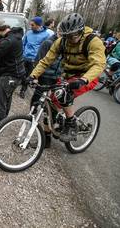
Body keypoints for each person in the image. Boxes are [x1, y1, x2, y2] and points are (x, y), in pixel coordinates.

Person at [29, 13, 106, 142]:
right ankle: (46, 138)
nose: (70, 39)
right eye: (67, 36)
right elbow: (46, 61)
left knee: (62, 93)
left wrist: (83, 80)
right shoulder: (62, 41)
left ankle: (71, 124)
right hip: (67, 75)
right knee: (49, 101)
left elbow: (98, 65)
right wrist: (33, 75)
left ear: (81, 31)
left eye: (72, 36)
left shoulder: (93, 41)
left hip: (87, 76)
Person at [29, 25, 62, 148]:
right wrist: (35, 76)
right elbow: (39, 60)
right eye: (61, 34)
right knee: (37, 98)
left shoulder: (65, 44)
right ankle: (31, 118)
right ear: (58, 32)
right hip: (44, 75)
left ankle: (48, 135)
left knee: (53, 105)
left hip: (57, 77)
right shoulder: (48, 43)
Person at [19, 16, 51, 98]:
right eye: (30, 25)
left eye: (32, 25)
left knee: (28, 76)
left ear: (38, 25)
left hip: (34, 59)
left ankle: (23, 90)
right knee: (21, 74)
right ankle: (22, 84)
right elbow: (23, 43)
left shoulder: (46, 35)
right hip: (24, 57)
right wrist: (22, 52)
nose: (31, 26)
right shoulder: (29, 32)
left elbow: (45, 48)